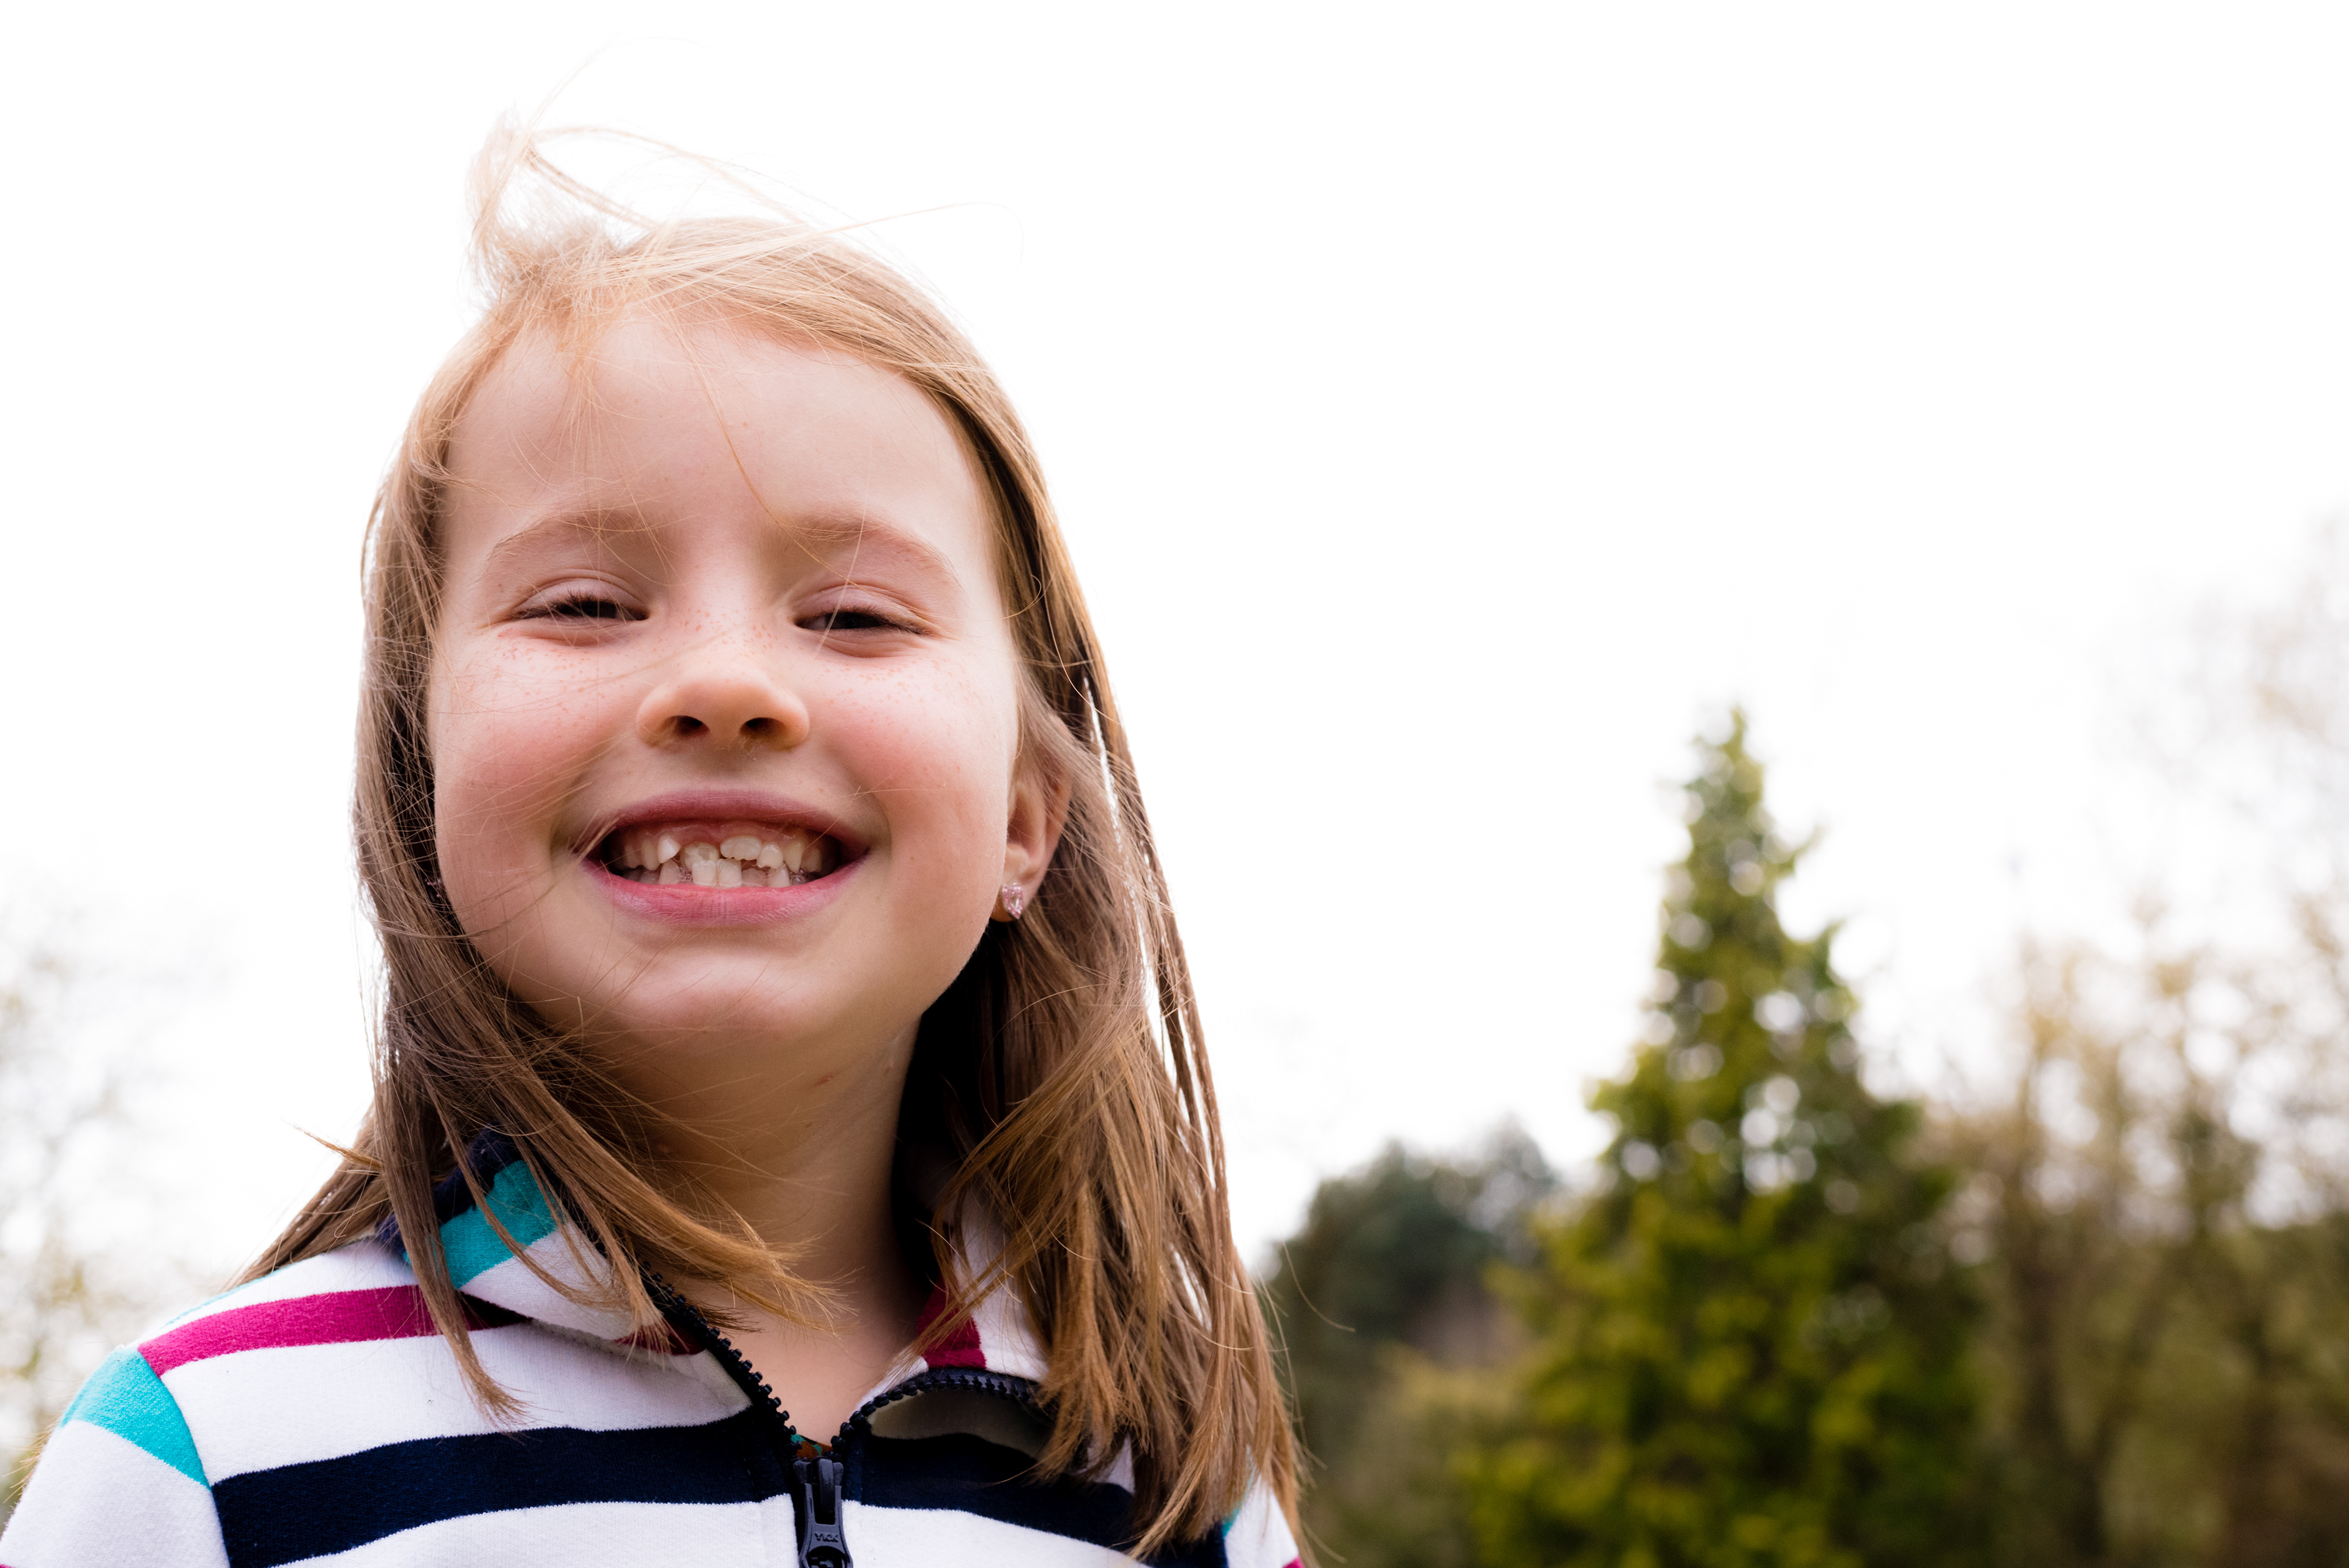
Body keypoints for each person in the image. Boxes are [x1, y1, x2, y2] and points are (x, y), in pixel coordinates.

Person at [1, 127, 1302, 1568]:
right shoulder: (203, 1472)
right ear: (427, 782)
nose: (726, 683)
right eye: (585, 604)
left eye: (856, 616)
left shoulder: (1182, 1490)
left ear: (1022, 818)